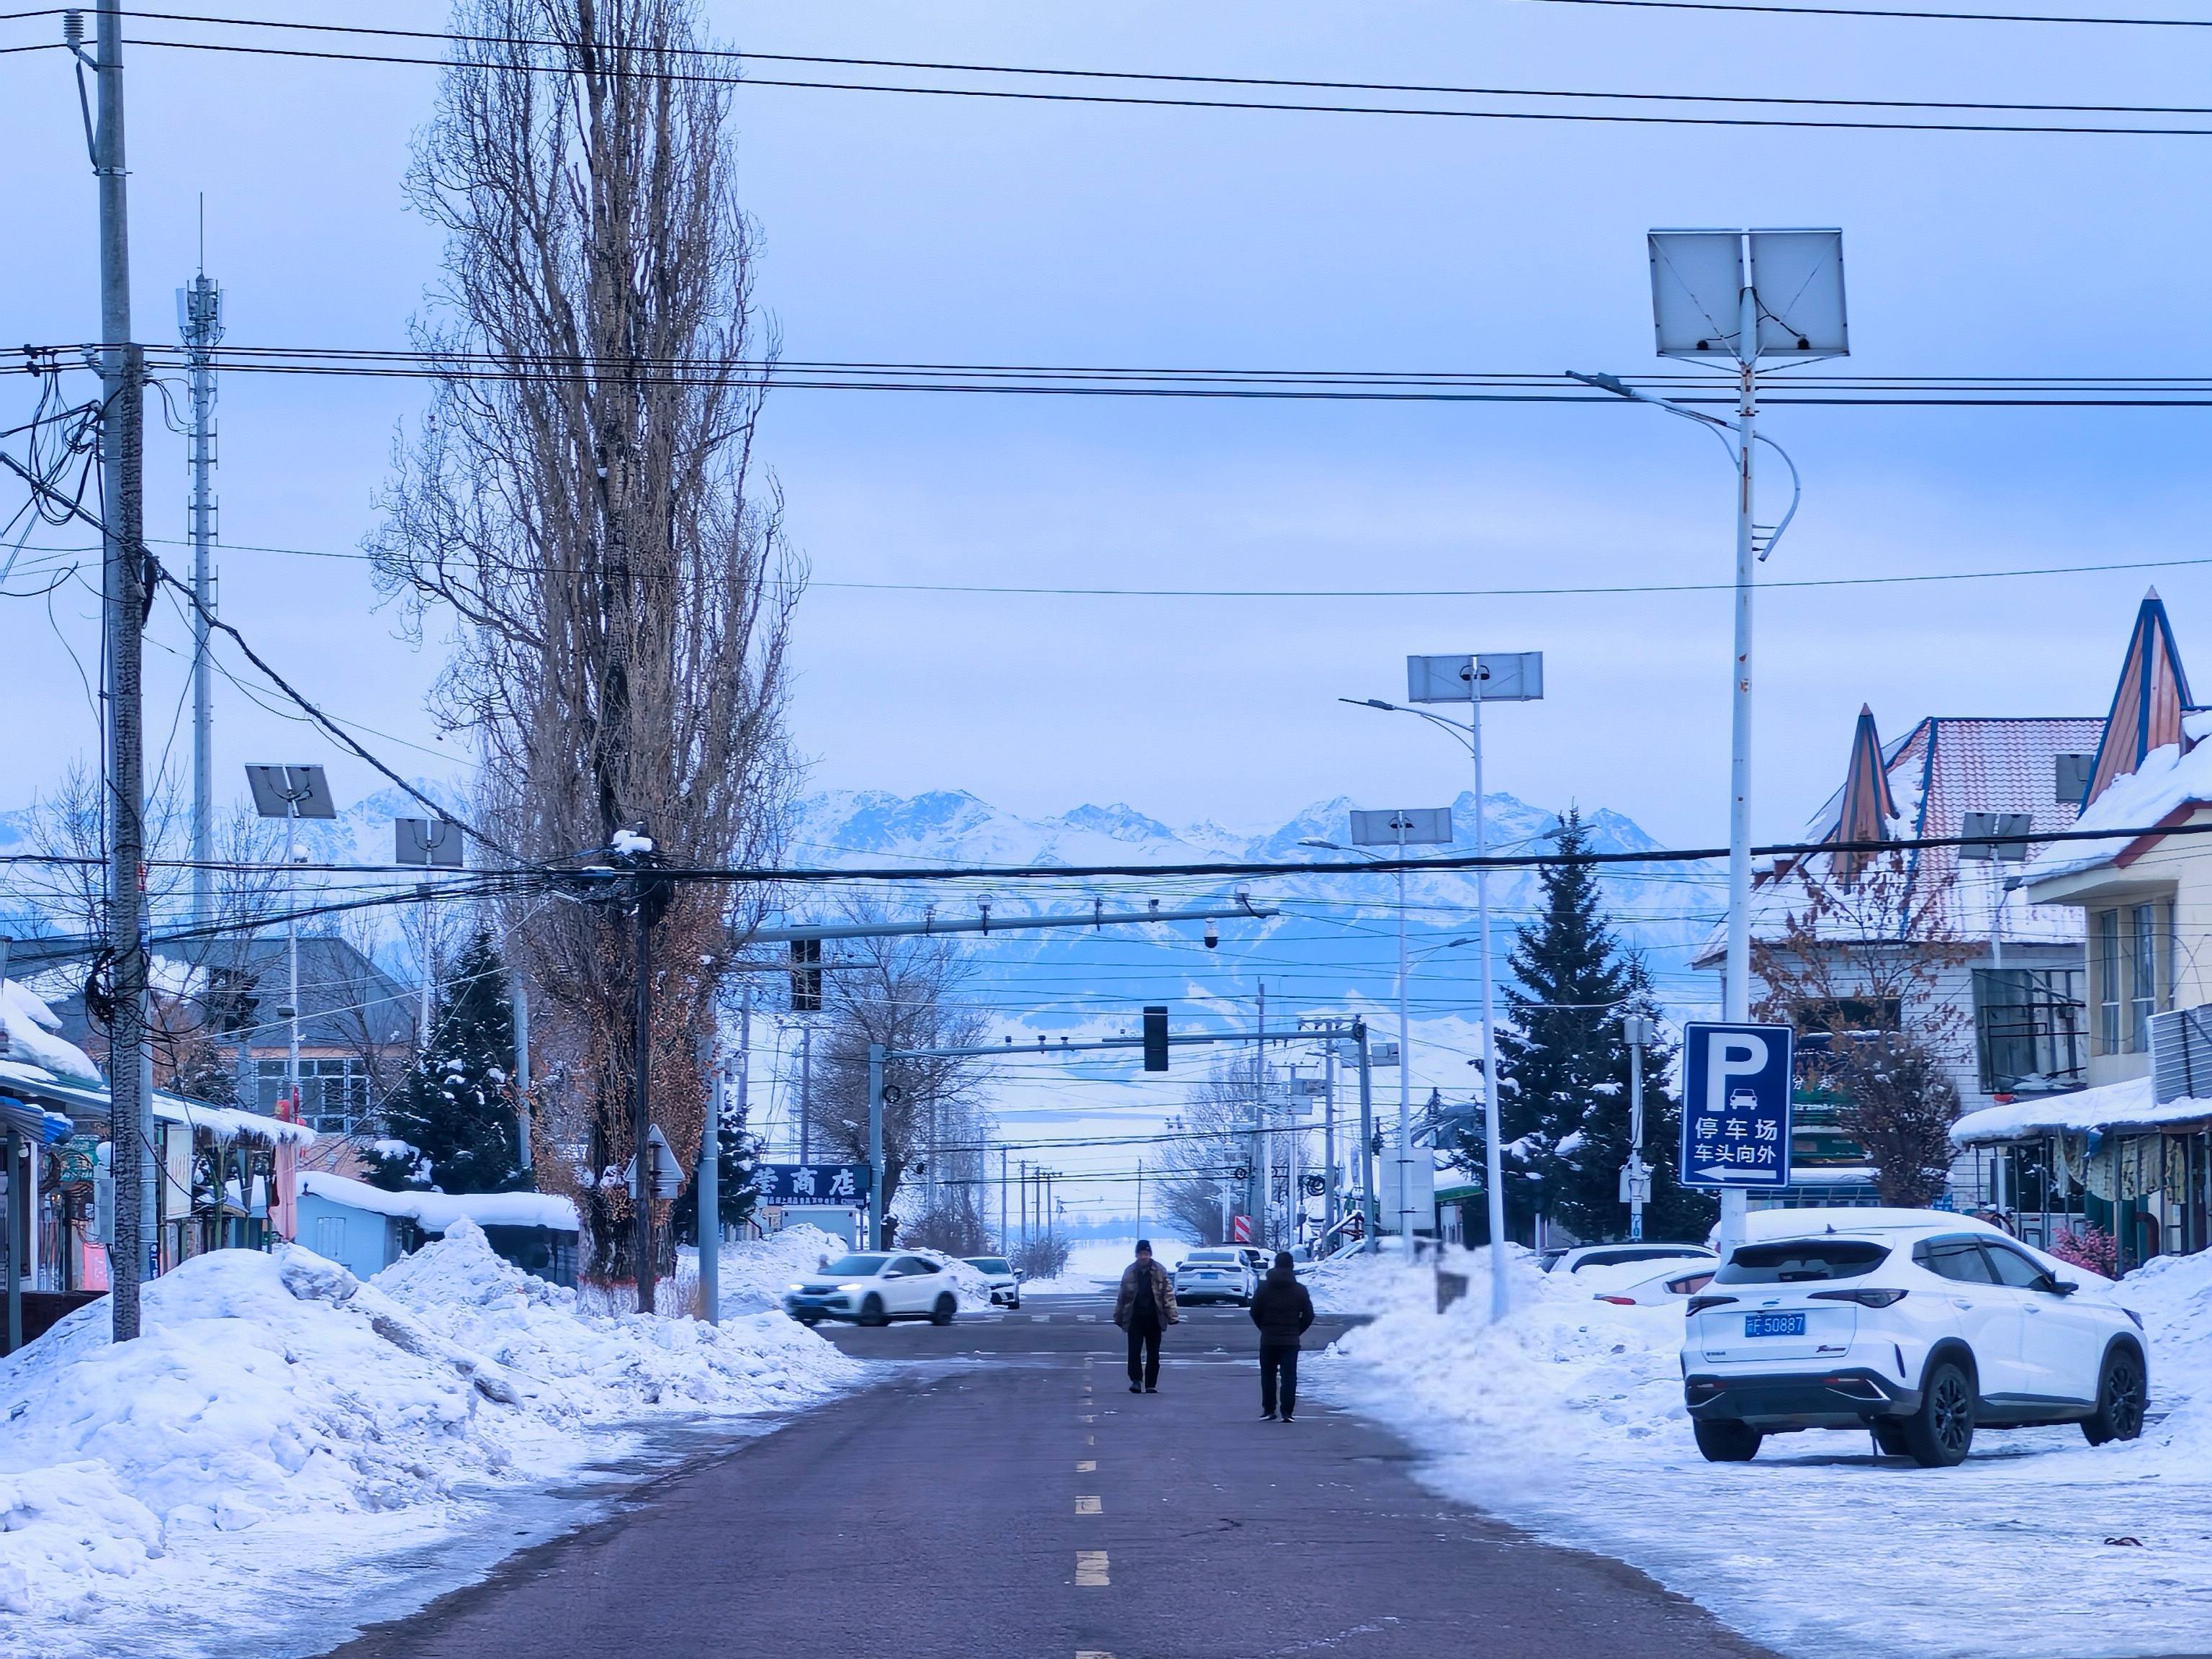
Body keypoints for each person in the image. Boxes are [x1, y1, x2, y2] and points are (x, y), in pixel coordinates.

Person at [1249, 1249, 1315, 1422]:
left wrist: (1264, 1327)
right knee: (1289, 1377)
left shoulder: (1264, 1288)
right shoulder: (1300, 1290)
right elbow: (1309, 1315)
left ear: (1275, 1265)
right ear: (1292, 1267)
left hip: (1268, 1339)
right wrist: (1296, 1330)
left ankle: (1269, 1410)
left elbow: (1254, 1311)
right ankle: (1287, 1412)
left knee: (1268, 1375)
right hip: (1290, 1341)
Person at [1113, 1238, 1178, 1393]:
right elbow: (1122, 1296)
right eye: (1141, 1254)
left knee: (1153, 1352)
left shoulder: (1159, 1270)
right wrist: (1118, 1315)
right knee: (1134, 1351)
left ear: (1150, 1254)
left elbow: (1168, 1294)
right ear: (1136, 1255)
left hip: (1154, 1317)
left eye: (1147, 1254)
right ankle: (1136, 1380)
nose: (1144, 1257)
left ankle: (1150, 1384)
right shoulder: (1130, 1271)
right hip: (1134, 1317)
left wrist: (1172, 1315)